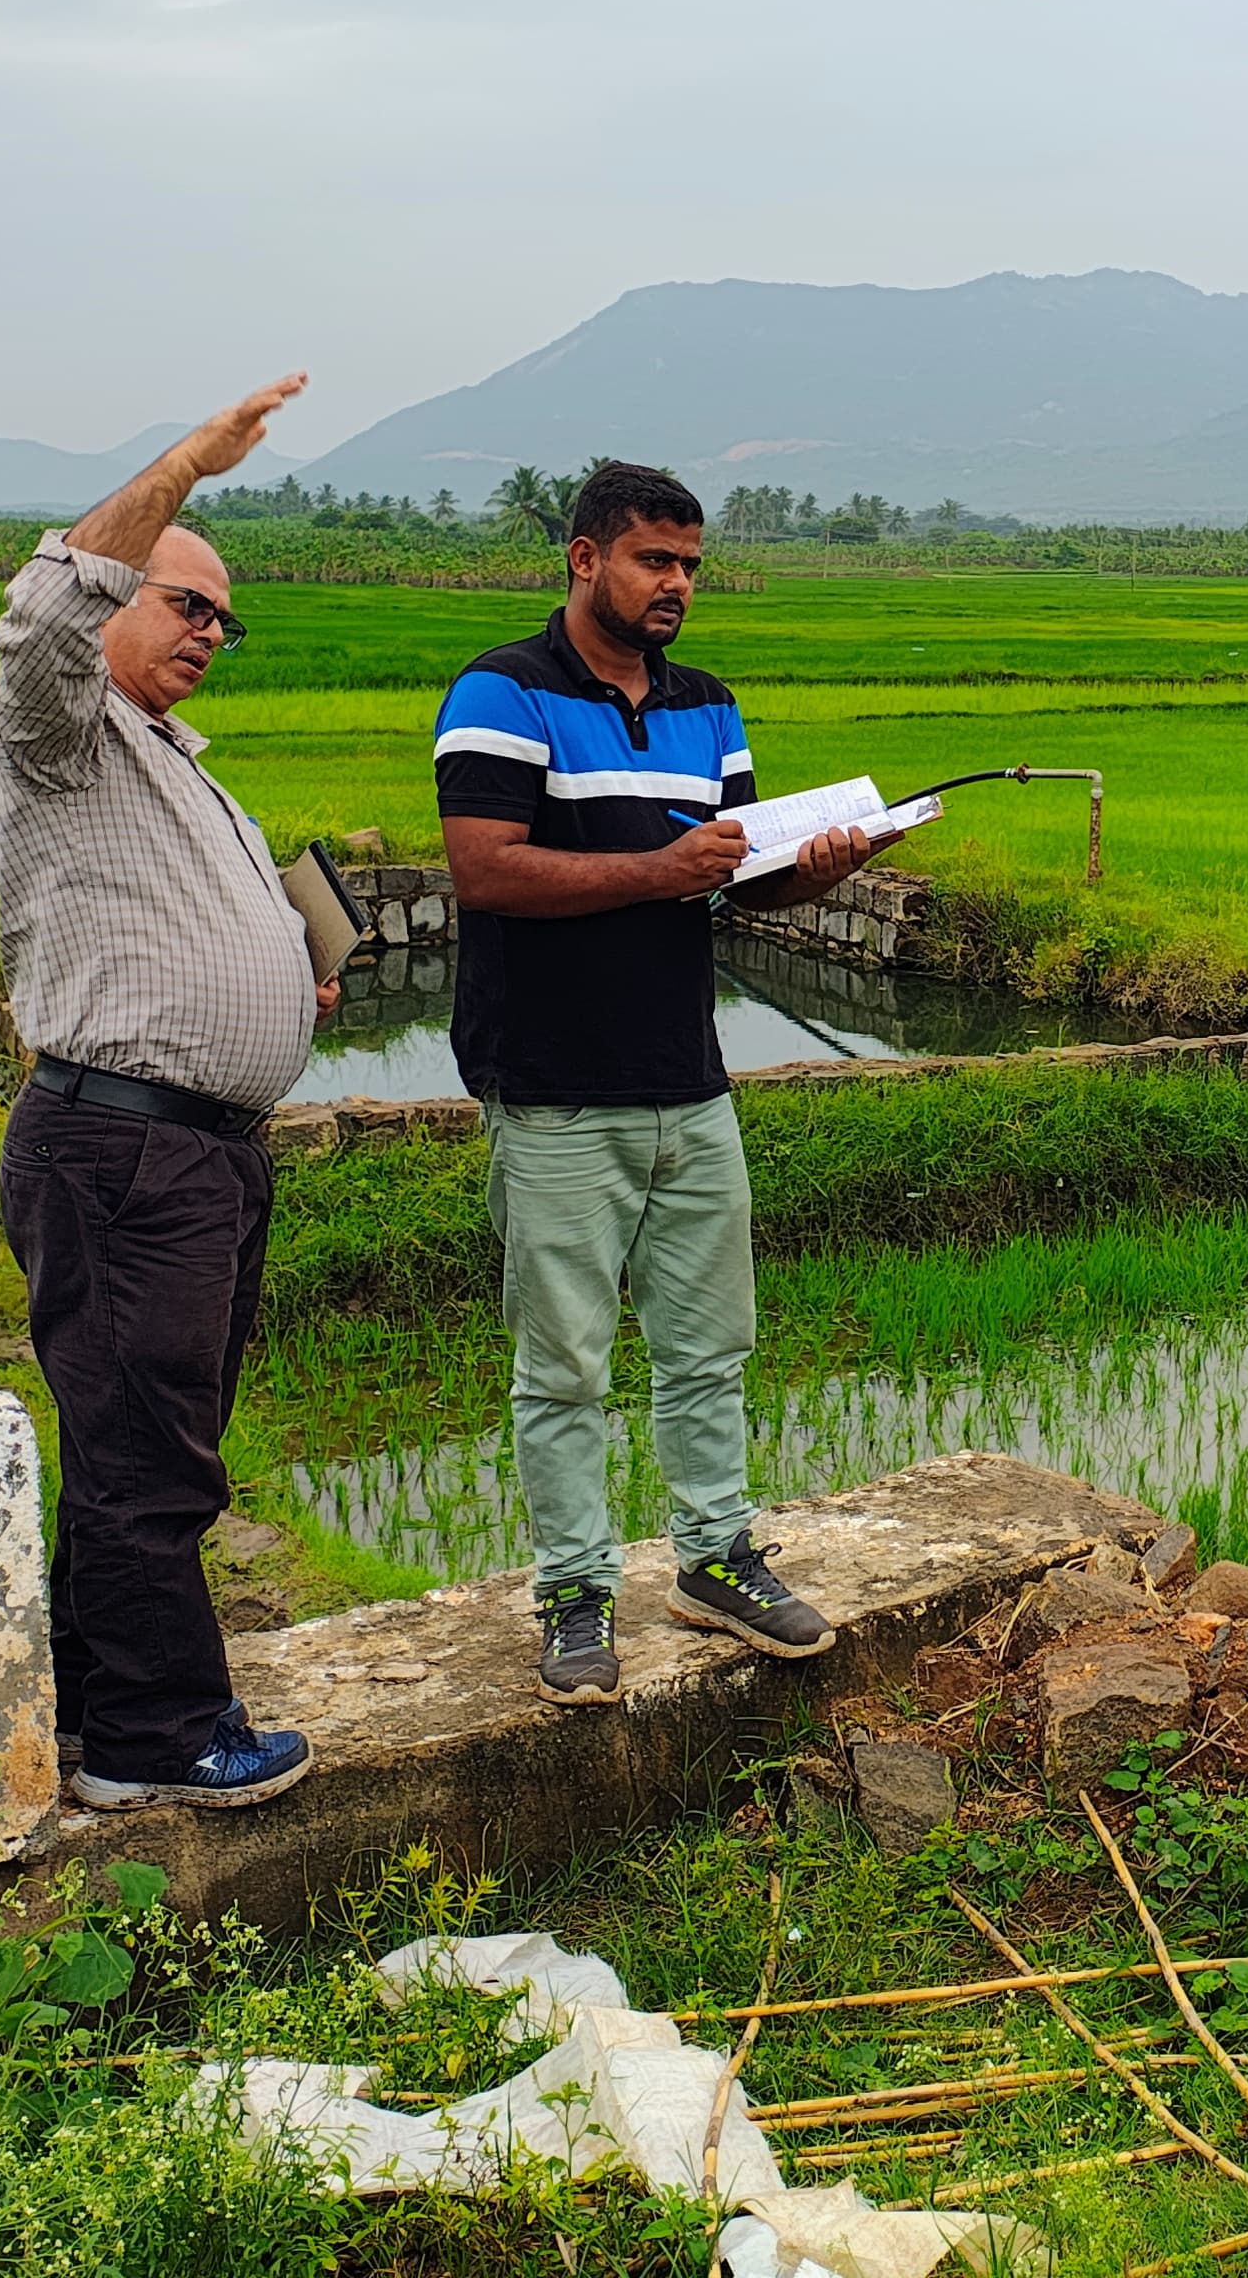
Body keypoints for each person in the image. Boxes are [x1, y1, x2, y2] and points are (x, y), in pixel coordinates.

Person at [434, 460, 903, 1705]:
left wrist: (821, 869)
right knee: (566, 1365)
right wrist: (659, 869)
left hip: (688, 1080)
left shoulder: (707, 707)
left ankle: (715, 1558)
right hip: (554, 1088)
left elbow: (730, 877)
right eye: (654, 560)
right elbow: (486, 871)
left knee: (707, 1347)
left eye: (690, 565)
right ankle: (576, 1595)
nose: (676, 586)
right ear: (585, 558)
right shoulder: (503, 691)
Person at [0, 375, 336, 1811]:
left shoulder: (173, 763)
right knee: (147, 1456)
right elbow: (45, 611)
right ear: (122, 600)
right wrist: (188, 465)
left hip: (193, 1153)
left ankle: (85, 1703)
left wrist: (281, 984)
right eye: (185, 602)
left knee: (144, 1440)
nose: (208, 633)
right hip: (126, 1153)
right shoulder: (57, 734)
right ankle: (160, 1738)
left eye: (222, 619)